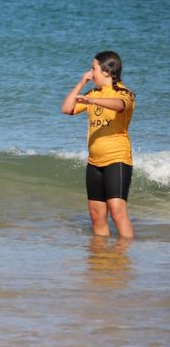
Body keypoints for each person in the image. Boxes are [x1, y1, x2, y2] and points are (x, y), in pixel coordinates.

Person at [61, 51, 135, 238]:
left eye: (93, 68)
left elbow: (119, 105)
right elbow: (67, 109)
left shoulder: (124, 93)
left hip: (117, 159)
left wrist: (92, 100)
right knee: (96, 215)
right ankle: (100, 260)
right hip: (94, 162)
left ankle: (124, 258)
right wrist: (81, 84)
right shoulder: (92, 92)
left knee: (117, 212)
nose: (91, 72)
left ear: (107, 71)